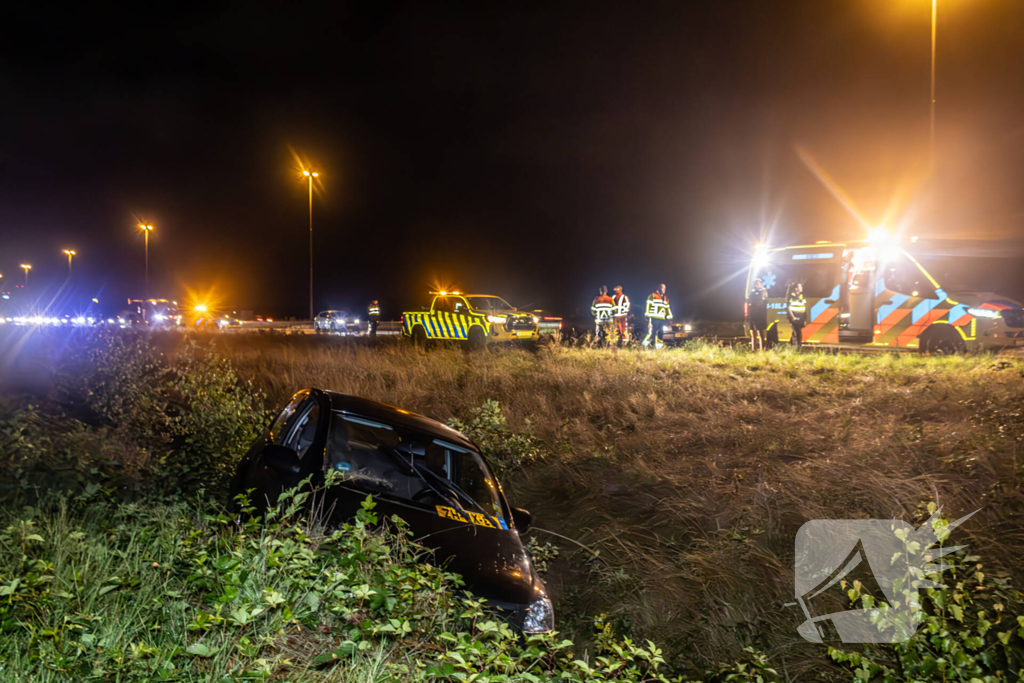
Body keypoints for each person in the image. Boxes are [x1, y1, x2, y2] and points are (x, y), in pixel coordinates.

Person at [642, 284, 672, 349]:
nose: (663, 289)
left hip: (662, 318)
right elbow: (648, 306)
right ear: (658, 288)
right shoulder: (652, 295)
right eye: (662, 288)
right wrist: (647, 316)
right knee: (652, 332)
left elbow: (667, 308)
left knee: (661, 333)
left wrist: (670, 318)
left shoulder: (665, 298)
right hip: (654, 318)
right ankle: (644, 345)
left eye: (664, 288)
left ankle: (658, 348)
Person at [747, 278, 768, 350]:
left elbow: (760, 301)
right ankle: (754, 349)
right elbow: (748, 300)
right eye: (755, 284)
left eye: (757, 283)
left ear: (761, 284)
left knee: (760, 333)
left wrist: (753, 301)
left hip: (760, 315)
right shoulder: (752, 292)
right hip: (752, 315)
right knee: (753, 333)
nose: (756, 285)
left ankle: (762, 350)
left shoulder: (763, 291)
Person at [787, 282, 807, 350]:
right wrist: (793, 317)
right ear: (796, 289)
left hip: (801, 317)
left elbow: (804, 307)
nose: (801, 288)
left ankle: (791, 346)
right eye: (800, 286)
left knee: (795, 333)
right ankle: (798, 348)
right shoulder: (791, 296)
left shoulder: (802, 296)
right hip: (794, 317)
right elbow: (788, 308)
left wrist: (804, 318)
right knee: (798, 333)